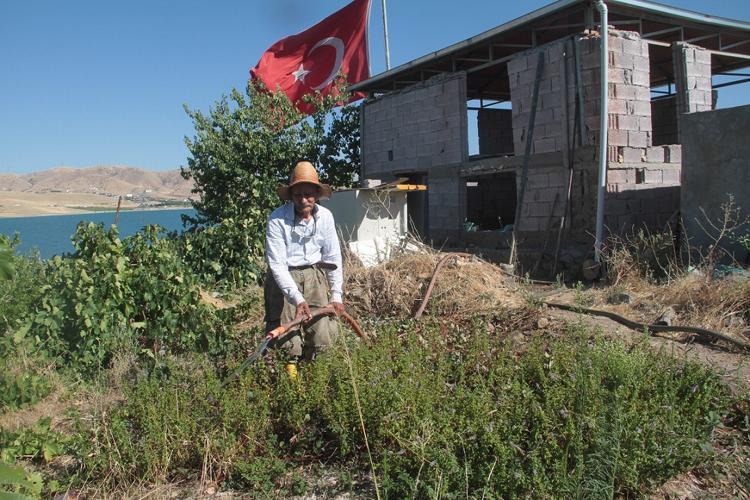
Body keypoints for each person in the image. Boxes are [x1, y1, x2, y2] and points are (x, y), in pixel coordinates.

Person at [264, 161, 344, 375]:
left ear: (316, 194)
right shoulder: (277, 219)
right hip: (284, 279)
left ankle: (314, 380)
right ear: (291, 196)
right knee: (285, 334)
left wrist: (336, 294)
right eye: (298, 195)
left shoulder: (325, 217)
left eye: (308, 194)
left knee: (320, 331)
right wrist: (297, 298)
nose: (303, 200)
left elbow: (333, 256)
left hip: (315, 276)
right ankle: (292, 386)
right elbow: (277, 265)